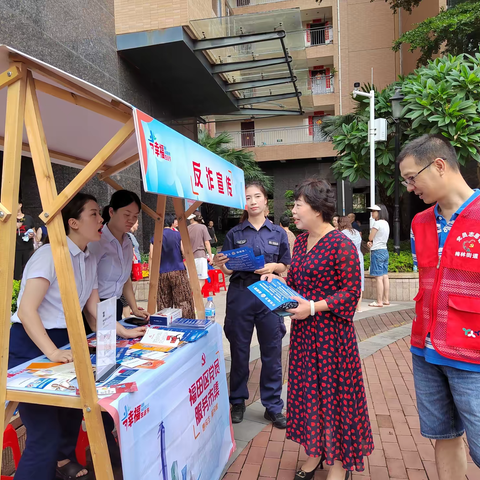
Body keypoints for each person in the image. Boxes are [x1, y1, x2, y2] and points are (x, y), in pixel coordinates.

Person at [9, 193, 145, 480]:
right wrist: (52, 352)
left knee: (71, 416)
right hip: (32, 345)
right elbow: (26, 311)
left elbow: (93, 307)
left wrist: (123, 331)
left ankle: (61, 465)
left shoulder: (87, 256)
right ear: (72, 222)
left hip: (67, 342)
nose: (101, 220)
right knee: (44, 433)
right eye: (94, 214)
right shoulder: (48, 255)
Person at [261, 179, 373, 480]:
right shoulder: (300, 242)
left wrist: (312, 307)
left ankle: (338, 463)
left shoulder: (341, 244)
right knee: (309, 395)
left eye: (298, 205)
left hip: (333, 338)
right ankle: (315, 453)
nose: (293, 211)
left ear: (318, 209)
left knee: (335, 398)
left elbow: (352, 293)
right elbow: (298, 284)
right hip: (304, 337)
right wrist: (280, 286)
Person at [398, 134, 480, 480]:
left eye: (411, 177)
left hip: (473, 354)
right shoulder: (420, 223)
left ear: (440, 165)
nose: (409, 187)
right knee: (443, 435)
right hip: (426, 349)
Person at [213, 181, 291, 428]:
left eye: (257, 196)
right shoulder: (234, 234)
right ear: (243, 203)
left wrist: (274, 267)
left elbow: (286, 265)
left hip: (269, 296)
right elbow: (226, 268)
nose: (253, 201)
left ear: (266, 200)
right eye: (248, 197)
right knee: (239, 351)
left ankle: (273, 406)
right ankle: (237, 401)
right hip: (241, 295)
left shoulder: (278, 233)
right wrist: (219, 263)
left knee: (272, 352)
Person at [88, 190, 150, 326]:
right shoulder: (97, 241)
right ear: (111, 212)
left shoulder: (127, 241)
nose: (131, 220)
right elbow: (87, 283)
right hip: (94, 308)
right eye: (126, 215)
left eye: (135, 216)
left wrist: (134, 308)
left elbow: (125, 278)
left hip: (115, 305)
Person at [149, 213, 194, 317]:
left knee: (164, 302)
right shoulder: (178, 235)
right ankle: (185, 323)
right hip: (178, 270)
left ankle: (165, 325)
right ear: (171, 222)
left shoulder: (156, 236)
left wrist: (152, 275)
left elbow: (152, 256)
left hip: (161, 272)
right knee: (183, 300)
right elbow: (184, 251)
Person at [339, 216, 364, 312]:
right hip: (359, 257)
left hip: (347, 260)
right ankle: (359, 307)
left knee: (348, 282)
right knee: (359, 282)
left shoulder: (342, 234)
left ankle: (349, 306)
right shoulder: (357, 232)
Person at [367, 204, 390, 307]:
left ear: (379, 212)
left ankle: (379, 301)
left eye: (374, 211)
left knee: (379, 278)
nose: (372, 213)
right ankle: (386, 299)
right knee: (385, 276)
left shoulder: (377, 223)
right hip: (385, 250)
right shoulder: (386, 223)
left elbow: (370, 237)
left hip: (377, 251)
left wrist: (370, 241)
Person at [187, 212, 213, 291]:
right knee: (201, 280)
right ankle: (196, 300)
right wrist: (210, 256)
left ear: (192, 218)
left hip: (190, 257)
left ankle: (193, 299)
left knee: (191, 280)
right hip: (200, 256)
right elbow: (207, 242)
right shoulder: (203, 227)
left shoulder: (187, 228)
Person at [14, 201, 35, 280]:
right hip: (15, 249)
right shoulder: (10, 219)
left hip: (28, 248)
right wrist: (16, 227)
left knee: (28, 268)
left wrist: (32, 235)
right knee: (16, 270)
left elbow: (34, 232)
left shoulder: (28, 218)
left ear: (20, 205)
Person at [279, 214, 296, 278]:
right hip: (292, 267)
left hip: (282, 269)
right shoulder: (293, 236)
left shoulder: (280, 235)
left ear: (280, 224)